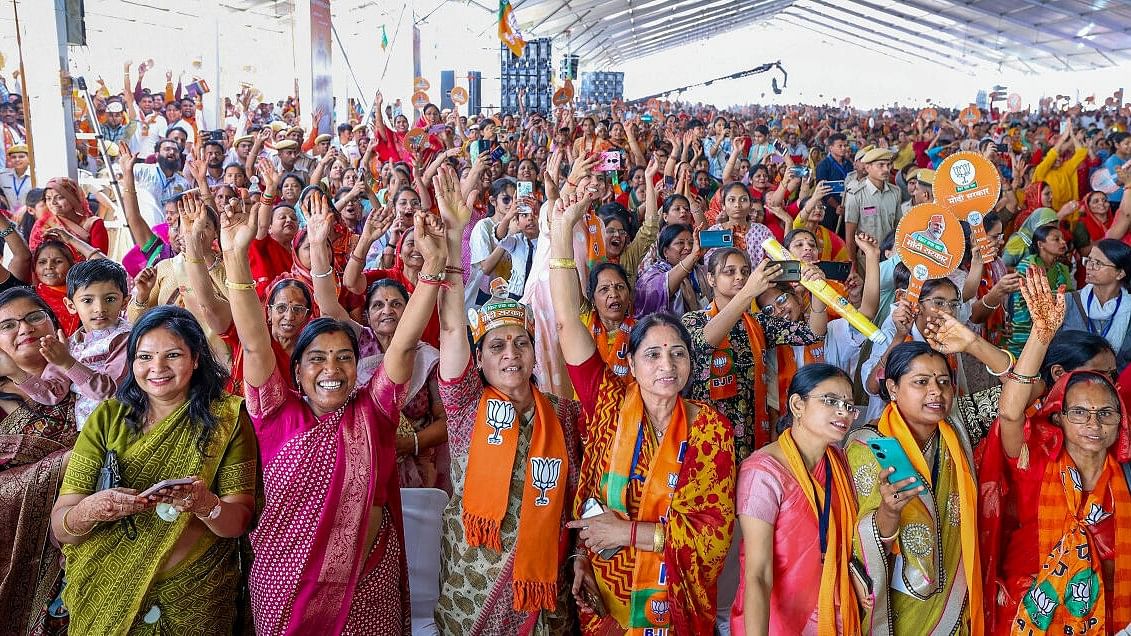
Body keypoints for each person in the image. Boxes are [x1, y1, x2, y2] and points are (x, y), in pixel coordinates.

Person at [225, 189, 438, 632]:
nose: (332, 369)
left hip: (368, 584)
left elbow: (402, 343)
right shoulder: (274, 412)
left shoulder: (374, 411)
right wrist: (234, 255)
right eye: (317, 358)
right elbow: (253, 340)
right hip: (286, 587)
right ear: (297, 369)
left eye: (344, 357)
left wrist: (433, 269)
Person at [551, 191, 736, 635]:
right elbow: (566, 323)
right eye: (652, 354)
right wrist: (560, 236)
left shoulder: (710, 428)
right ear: (631, 364)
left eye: (677, 354)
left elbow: (714, 536)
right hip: (606, 591)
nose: (666, 366)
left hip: (674, 600)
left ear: (692, 364)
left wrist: (627, 534)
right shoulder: (609, 401)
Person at [431, 164, 581, 633]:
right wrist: (455, 239)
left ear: (535, 351)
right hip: (472, 590)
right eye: (496, 345)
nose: (511, 354)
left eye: (521, 342)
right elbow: (454, 325)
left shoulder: (563, 414)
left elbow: (578, 499)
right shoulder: (464, 409)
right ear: (479, 360)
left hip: (543, 589)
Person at [51, 306, 256, 634]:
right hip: (105, 593)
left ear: (196, 359)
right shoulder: (108, 418)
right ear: (132, 362)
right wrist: (89, 510)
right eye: (144, 357)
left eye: (172, 355)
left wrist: (206, 505)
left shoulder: (227, 420)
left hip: (193, 597)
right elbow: (62, 527)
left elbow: (239, 522)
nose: (157, 368)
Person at [981, 269, 1131, 634]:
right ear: (1058, 416)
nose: (1093, 425)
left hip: (1106, 612)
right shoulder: (1035, 458)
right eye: (1079, 413)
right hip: (1027, 608)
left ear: (1120, 421)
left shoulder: (1123, 472)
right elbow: (1011, 411)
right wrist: (1041, 334)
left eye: (1105, 414)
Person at [308, 204, 449, 493]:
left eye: (397, 304)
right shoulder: (357, 342)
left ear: (410, 309)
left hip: (417, 470)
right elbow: (327, 303)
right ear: (367, 315)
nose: (388, 310)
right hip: (357, 461)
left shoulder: (427, 357)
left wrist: (411, 443)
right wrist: (317, 245)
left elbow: (443, 420)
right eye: (378, 305)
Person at [846, 341, 983, 635]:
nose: (936, 391)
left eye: (943, 382)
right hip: (894, 604)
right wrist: (888, 512)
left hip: (954, 596)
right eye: (921, 382)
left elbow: (1020, 393)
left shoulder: (958, 433)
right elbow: (859, 542)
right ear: (893, 388)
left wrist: (972, 342)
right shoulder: (868, 447)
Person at [731, 364, 862, 635]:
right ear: (797, 405)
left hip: (833, 612)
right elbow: (759, 573)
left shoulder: (838, 461)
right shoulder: (763, 472)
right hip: (777, 619)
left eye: (849, 405)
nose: (843, 412)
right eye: (831, 401)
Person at [0, 288, 77, 634]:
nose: (25, 328)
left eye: (34, 317)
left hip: (85, 537)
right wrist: (71, 462)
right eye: (8, 325)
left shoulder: (87, 375)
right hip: (15, 551)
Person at [17, 259, 131, 430]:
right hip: (87, 432)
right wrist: (15, 373)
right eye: (87, 300)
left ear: (124, 302)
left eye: (110, 299)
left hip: (120, 425)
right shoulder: (69, 344)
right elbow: (53, 393)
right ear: (71, 305)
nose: (99, 308)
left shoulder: (126, 338)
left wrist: (67, 363)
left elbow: (109, 391)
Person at [1061, 238, 1131, 370]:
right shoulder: (1068, 302)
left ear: (1120, 273)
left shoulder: (1128, 308)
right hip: (1072, 384)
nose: (1089, 267)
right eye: (1088, 260)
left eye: (1098, 263)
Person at [633, 223, 703, 316]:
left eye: (691, 243)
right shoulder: (653, 274)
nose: (689, 247)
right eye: (680, 243)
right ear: (666, 251)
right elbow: (658, 290)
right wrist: (693, 256)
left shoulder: (698, 272)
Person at [30, 178, 109, 255]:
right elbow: (36, 257)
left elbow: (100, 262)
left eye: (59, 197)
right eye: (48, 198)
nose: (53, 202)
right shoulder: (43, 224)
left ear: (72, 198)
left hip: (88, 268)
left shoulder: (93, 224)